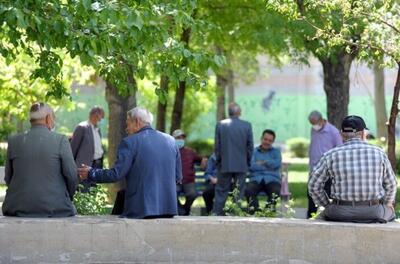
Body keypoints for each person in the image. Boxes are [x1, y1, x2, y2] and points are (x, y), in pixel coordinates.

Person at [78, 107, 182, 219]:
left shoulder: (130, 142)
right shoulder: (171, 141)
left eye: (128, 124)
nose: (127, 129)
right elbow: (178, 177)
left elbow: (116, 174)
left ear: (137, 121)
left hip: (141, 210)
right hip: (168, 209)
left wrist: (91, 173)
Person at [309, 115, 397, 223]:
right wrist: (387, 203)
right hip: (373, 212)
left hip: (339, 212)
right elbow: (391, 184)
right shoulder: (379, 153)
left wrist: (326, 204)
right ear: (362, 133)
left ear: (342, 134)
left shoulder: (330, 155)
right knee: (390, 212)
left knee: (320, 217)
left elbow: (313, 186)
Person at [2, 103, 78, 217]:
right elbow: (72, 176)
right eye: (53, 117)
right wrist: (68, 197)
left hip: (16, 207)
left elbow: (8, 178)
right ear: (48, 118)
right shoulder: (61, 140)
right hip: (56, 208)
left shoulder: (14, 141)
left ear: (31, 120)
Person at [213, 102, 254, 215]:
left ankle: (217, 213)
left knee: (221, 190)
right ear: (239, 112)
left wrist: (218, 161)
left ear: (229, 112)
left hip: (224, 163)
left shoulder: (220, 125)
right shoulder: (247, 125)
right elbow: (250, 146)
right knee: (239, 192)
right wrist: (248, 161)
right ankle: (236, 214)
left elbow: (217, 146)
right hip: (241, 164)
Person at [307, 110, 342, 218]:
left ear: (321, 120)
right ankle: (310, 218)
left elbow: (339, 150)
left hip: (327, 170)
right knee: (310, 194)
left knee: (326, 194)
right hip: (314, 169)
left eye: (315, 123)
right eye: (311, 124)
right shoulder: (313, 130)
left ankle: (328, 217)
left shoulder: (333, 132)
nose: (314, 126)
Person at [245, 129, 282, 213]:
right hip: (256, 178)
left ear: (273, 141)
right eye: (265, 139)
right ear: (261, 138)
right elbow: (252, 166)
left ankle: (267, 213)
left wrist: (263, 162)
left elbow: (277, 164)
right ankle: (255, 212)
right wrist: (269, 165)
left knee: (275, 191)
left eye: (270, 140)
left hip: (272, 179)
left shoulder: (276, 152)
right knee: (248, 190)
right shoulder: (253, 151)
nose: (267, 142)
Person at [173, 129, 207, 215]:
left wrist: (203, 161)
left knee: (192, 194)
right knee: (172, 194)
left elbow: (201, 159)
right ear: (173, 139)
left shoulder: (190, 152)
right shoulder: (170, 151)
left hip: (188, 181)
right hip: (175, 181)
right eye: (178, 138)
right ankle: (181, 211)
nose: (180, 139)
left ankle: (184, 210)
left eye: (182, 137)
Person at [70, 106, 105, 192]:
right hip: (85, 166)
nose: (102, 120)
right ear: (95, 115)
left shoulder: (98, 129)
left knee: (93, 191)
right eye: (101, 116)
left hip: (97, 165)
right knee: (83, 191)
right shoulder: (82, 127)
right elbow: (73, 149)